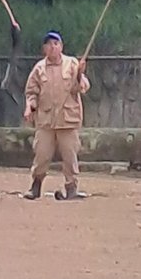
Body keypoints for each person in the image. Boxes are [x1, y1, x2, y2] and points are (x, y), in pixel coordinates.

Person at [23, 29, 91, 200]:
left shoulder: (72, 64)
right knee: (42, 155)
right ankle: (36, 186)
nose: (52, 47)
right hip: (46, 120)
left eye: (55, 43)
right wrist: (29, 107)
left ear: (61, 46)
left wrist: (80, 75)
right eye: (48, 44)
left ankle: (71, 188)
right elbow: (31, 92)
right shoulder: (39, 68)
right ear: (44, 49)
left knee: (70, 156)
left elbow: (82, 88)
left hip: (67, 120)